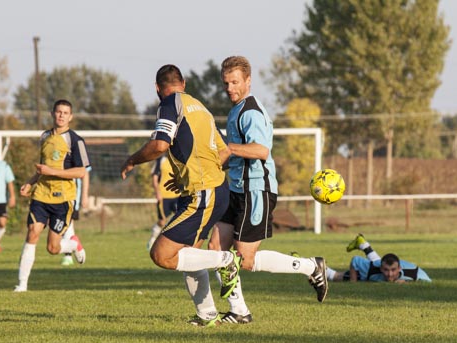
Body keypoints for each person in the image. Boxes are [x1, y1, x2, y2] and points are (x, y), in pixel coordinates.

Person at [209, 55, 329, 325]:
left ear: (248, 81)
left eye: (235, 82)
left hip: (256, 190)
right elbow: (236, 155)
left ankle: (311, 266)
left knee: (245, 260)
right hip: (236, 189)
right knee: (216, 248)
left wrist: (228, 149)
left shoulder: (251, 112)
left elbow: (261, 150)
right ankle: (239, 311)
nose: (229, 88)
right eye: (226, 83)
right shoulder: (235, 110)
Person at [120, 64, 241, 328]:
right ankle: (207, 314)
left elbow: (159, 145)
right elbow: (224, 151)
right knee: (189, 254)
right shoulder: (200, 107)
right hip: (215, 189)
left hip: (203, 192)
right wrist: (189, 174)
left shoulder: (169, 103)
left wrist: (132, 159)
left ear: (157, 88)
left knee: (161, 254)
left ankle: (226, 260)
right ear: (183, 83)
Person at [15, 99, 90, 292]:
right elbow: (42, 168)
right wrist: (30, 183)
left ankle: (72, 245)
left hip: (63, 199)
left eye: (65, 113)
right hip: (41, 195)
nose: (61, 115)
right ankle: (21, 285)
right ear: (52, 113)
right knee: (32, 233)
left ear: (70, 117)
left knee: (52, 248)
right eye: (58, 112)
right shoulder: (44, 136)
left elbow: (81, 172)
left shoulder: (75, 140)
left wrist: (53, 172)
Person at [325, 234, 431, 283]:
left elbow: (429, 283)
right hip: (372, 268)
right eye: (386, 270)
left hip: (379, 264)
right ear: (381, 268)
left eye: (393, 270)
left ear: (399, 268)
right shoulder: (372, 268)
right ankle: (322, 270)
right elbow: (355, 260)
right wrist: (354, 282)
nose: (390, 274)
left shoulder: (414, 273)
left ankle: (363, 245)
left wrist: (406, 284)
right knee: (342, 277)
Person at [146, 153, 179, 251]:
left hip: (178, 196)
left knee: (180, 219)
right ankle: (153, 239)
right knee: (162, 221)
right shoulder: (161, 160)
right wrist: (157, 192)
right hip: (164, 196)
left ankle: (177, 243)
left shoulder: (179, 158)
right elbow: (155, 177)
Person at [60, 168, 90, 266]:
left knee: (68, 224)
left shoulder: (77, 157)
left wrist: (84, 196)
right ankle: (73, 245)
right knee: (61, 226)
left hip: (71, 195)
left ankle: (68, 256)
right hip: (55, 194)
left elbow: (85, 173)